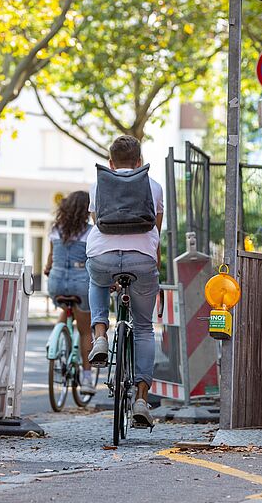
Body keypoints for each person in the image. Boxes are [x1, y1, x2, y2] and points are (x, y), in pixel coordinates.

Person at [86, 135, 163, 427]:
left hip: (102, 257)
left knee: (97, 281)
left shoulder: (98, 184)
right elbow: (156, 233)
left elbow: (98, 222)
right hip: (142, 261)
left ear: (110, 162)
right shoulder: (153, 186)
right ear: (140, 162)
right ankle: (142, 399)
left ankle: (101, 334)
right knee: (143, 328)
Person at [44, 190, 95, 394]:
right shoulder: (91, 233)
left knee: (65, 308)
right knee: (85, 331)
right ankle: (88, 379)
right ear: (86, 210)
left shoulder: (55, 230)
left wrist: (50, 270)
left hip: (56, 284)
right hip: (80, 285)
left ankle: (53, 341)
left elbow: (50, 260)